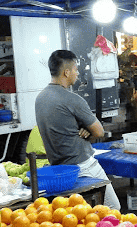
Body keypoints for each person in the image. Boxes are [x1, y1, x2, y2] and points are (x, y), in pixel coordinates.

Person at [35, 49, 121, 210]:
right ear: (66, 72)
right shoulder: (73, 99)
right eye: (75, 69)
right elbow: (99, 132)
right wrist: (87, 128)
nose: (77, 72)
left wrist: (83, 128)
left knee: (81, 215)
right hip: (83, 166)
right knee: (112, 208)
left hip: (59, 169)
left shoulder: (40, 98)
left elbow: (64, 125)